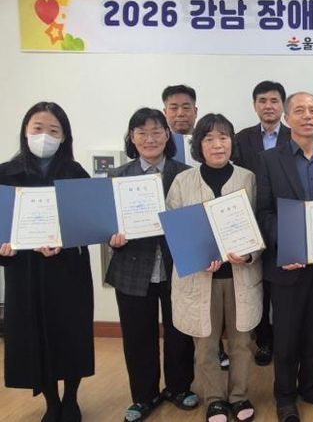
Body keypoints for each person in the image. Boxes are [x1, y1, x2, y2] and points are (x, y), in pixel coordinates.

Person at [0, 102, 94, 422]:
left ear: (64, 136)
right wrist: (3, 249)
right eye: (38, 128)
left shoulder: (76, 174)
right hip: (25, 272)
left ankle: (71, 399)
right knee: (34, 335)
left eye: (54, 130)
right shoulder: (5, 174)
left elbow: (86, 225)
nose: (45, 136)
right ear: (25, 131)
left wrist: (63, 244)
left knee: (71, 333)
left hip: (68, 271)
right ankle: (51, 401)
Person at [167, 113, 263, 422]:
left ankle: (238, 396)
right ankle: (214, 399)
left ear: (232, 142)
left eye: (223, 137)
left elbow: (261, 227)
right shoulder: (183, 181)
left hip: (239, 275)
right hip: (200, 277)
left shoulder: (248, 179)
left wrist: (248, 254)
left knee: (242, 342)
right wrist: (195, 255)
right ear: (199, 145)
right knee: (205, 344)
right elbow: (174, 231)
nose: (217, 144)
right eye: (209, 138)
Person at [256, 92, 313, 422]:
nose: (308, 116)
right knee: (287, 334)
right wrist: (287, 244)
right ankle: (284, 396)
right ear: (287, 117)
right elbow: (263, 212)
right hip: (287, 262)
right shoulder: (269, 160)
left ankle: (311, 387)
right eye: (300, 110)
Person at [106, 108, 197, 422]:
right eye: (142, 132)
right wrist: (112, 238)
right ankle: (143, 396)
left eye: (157, 131)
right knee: (137, 336)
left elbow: (194, 221)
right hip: (132, 268)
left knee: (179, 331)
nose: (150, 138)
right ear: (132, 138)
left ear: (167, 135)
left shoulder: (185, 174)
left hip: (177, 267)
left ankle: (179, 387)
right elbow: (105, 224)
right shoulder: (117, 177)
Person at [234, 80, 291, 367]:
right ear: (254, 105)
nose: (268, 106)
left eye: (274, 100)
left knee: (282, 287)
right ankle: (264, 341)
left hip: (283, 223)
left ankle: (285, 341)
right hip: (247, 223)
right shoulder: (240, 139)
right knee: (258, 288)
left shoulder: (295, 136)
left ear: (283, 105)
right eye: (262, 101)